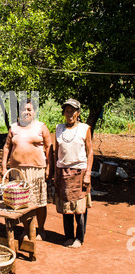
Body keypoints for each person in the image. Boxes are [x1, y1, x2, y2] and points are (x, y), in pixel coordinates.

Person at [2, 98, 53, 240]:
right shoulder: (14, 127)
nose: (26, 112)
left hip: (36, 171)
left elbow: (49, 147)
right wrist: (3, 166)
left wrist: (49, 167)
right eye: (23, 109)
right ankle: (26, 230)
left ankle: (41, 230)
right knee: (22, 202)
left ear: (34, 111)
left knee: (39, 202)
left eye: (29, 109)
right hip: (17, 172)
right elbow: (7, 147)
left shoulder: (41, 127)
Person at [54, 98, 93, 248]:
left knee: (80, 208)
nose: (69, 114)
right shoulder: (59, 128)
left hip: (79, 172)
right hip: (63, 172)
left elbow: (90, 153)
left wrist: (88, 173)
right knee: (66, 207)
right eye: (67, 111)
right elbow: (56, 152)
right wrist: (56, 174)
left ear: (78, 113)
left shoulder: (85, 128)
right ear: (64, 113)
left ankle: (79, 238)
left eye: (72, 111)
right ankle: (69, 236)